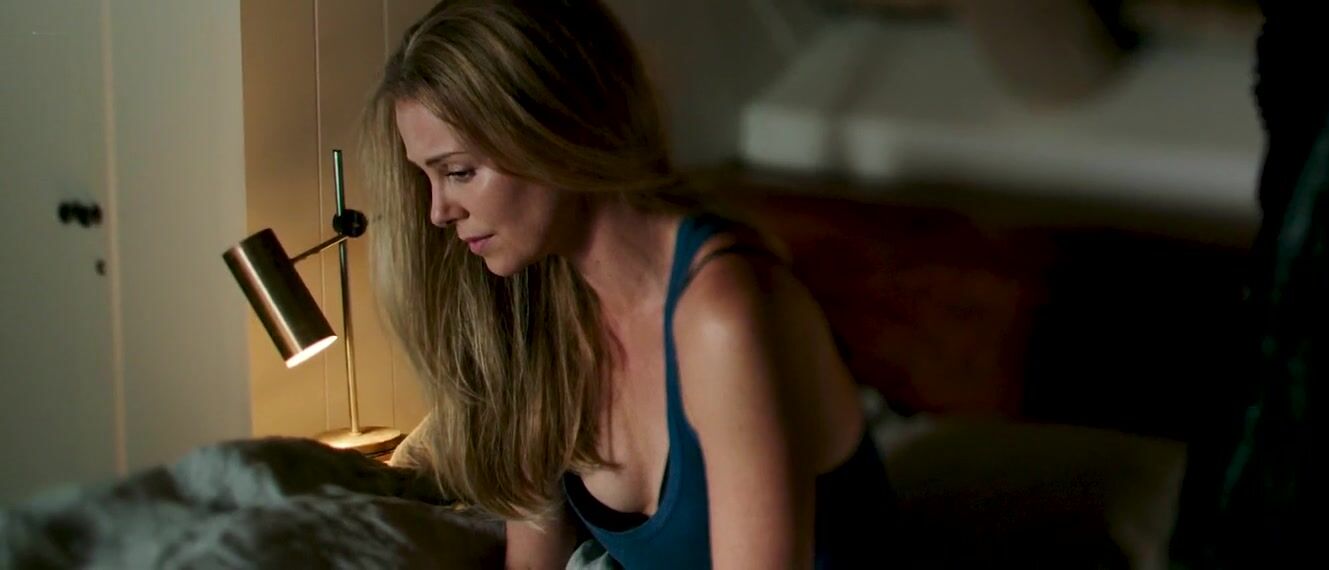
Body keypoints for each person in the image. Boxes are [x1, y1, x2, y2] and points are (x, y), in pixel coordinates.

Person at [360, 1, 895, 567]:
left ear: (554, 126)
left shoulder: (724, 313)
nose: (439, 211)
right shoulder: (542, 311)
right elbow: (534, 562)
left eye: (458, 172)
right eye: (428, 176)